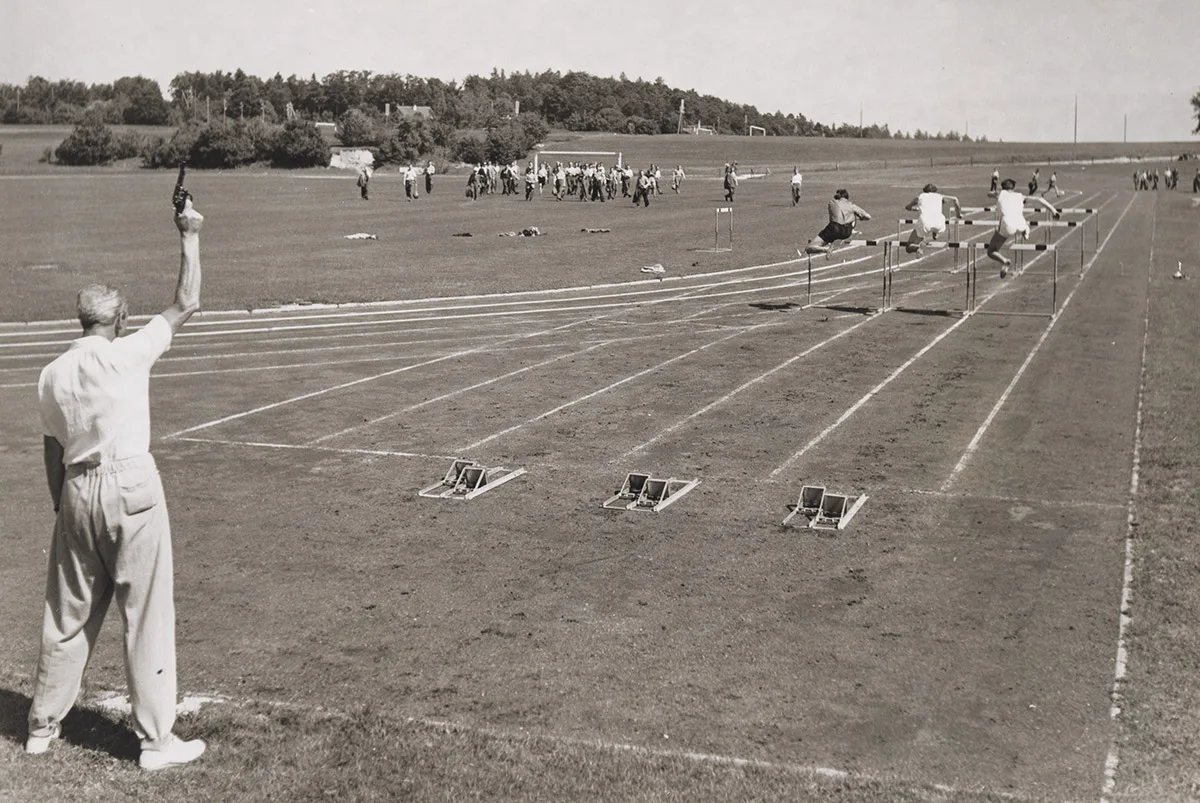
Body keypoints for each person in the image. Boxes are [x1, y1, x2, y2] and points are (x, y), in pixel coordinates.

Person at [27, 195, 207, 771]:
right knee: (146, 611)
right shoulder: (129, 354)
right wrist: (189, 234)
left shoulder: (50, 375)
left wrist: (65, 506)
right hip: (131, 485)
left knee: (67, 613)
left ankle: (41, 726)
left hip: (76, 488)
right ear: (120, 319)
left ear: (81, 320)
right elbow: (187, 302)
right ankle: (157, 741)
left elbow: (52, 449)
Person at [983, 177, 1060, 278]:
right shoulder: (1020, 196)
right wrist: (1053, 210)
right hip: (1020, 223)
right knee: (1023, 222)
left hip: (1007, 226)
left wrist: (993, 193)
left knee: (991, 251)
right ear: (1013, 188)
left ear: (1003, 188)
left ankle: (1005, 261)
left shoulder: (1000, 194)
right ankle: (1026, 231)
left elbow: (989, 194)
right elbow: (1039, 199)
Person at [804, 189, 871, 254]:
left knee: (809, 248)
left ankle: (826, 249)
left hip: (834, 229)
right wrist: (860, 218)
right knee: (852, 216)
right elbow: (868, 217)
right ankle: (851, 231)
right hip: (847, 232)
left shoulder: (831, 202)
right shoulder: (851, 205)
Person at [904, 183, 962, 253]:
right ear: (935, 191)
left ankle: (918, 248)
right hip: (940, 223)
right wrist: (958, 215)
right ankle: (935, 232)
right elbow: (955, 199)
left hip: (925, 223)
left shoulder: (920, 197)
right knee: (934, 222)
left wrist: (915, 209)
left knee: (909, 247)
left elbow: (907, 207)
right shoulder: (939, 196)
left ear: (924, 191)